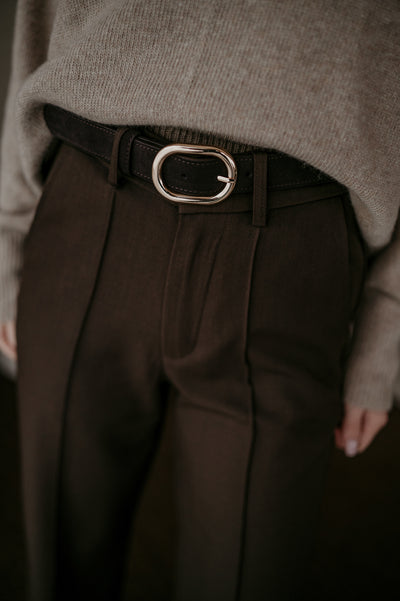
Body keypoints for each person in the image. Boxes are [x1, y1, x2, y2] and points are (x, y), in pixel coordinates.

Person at [0, 1, 398, 600]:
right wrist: (8, 231)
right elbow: (37, 18)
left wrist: (388, 318)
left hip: (290, 257)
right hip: (87, 211)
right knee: (62, 566)